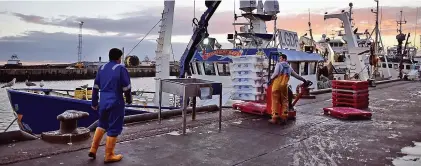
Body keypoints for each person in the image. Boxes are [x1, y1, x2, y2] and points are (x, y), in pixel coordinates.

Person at [88, 48, 132, 163]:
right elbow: (127, 87)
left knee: (102, 124)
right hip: (115, 101)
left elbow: (95, 87)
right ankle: (109, 155)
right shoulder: (121, 68)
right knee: (114, 127)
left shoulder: (101, 68)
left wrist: (94, 102)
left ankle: (93, 149)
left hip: (103, 102)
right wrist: (129, 100)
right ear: (119, 58)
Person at [268, 53, 308, 124]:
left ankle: (275, 118)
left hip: (276, 86)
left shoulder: (279, 64)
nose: (279, 59)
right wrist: (303, 80)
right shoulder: (289, 68)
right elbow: (296, 75)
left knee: (275, 101)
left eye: (280, 58)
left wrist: (270, 80)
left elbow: (275, 73)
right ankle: (284, 117)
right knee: (285, 101)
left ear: (284, 59)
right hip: (284, 86)